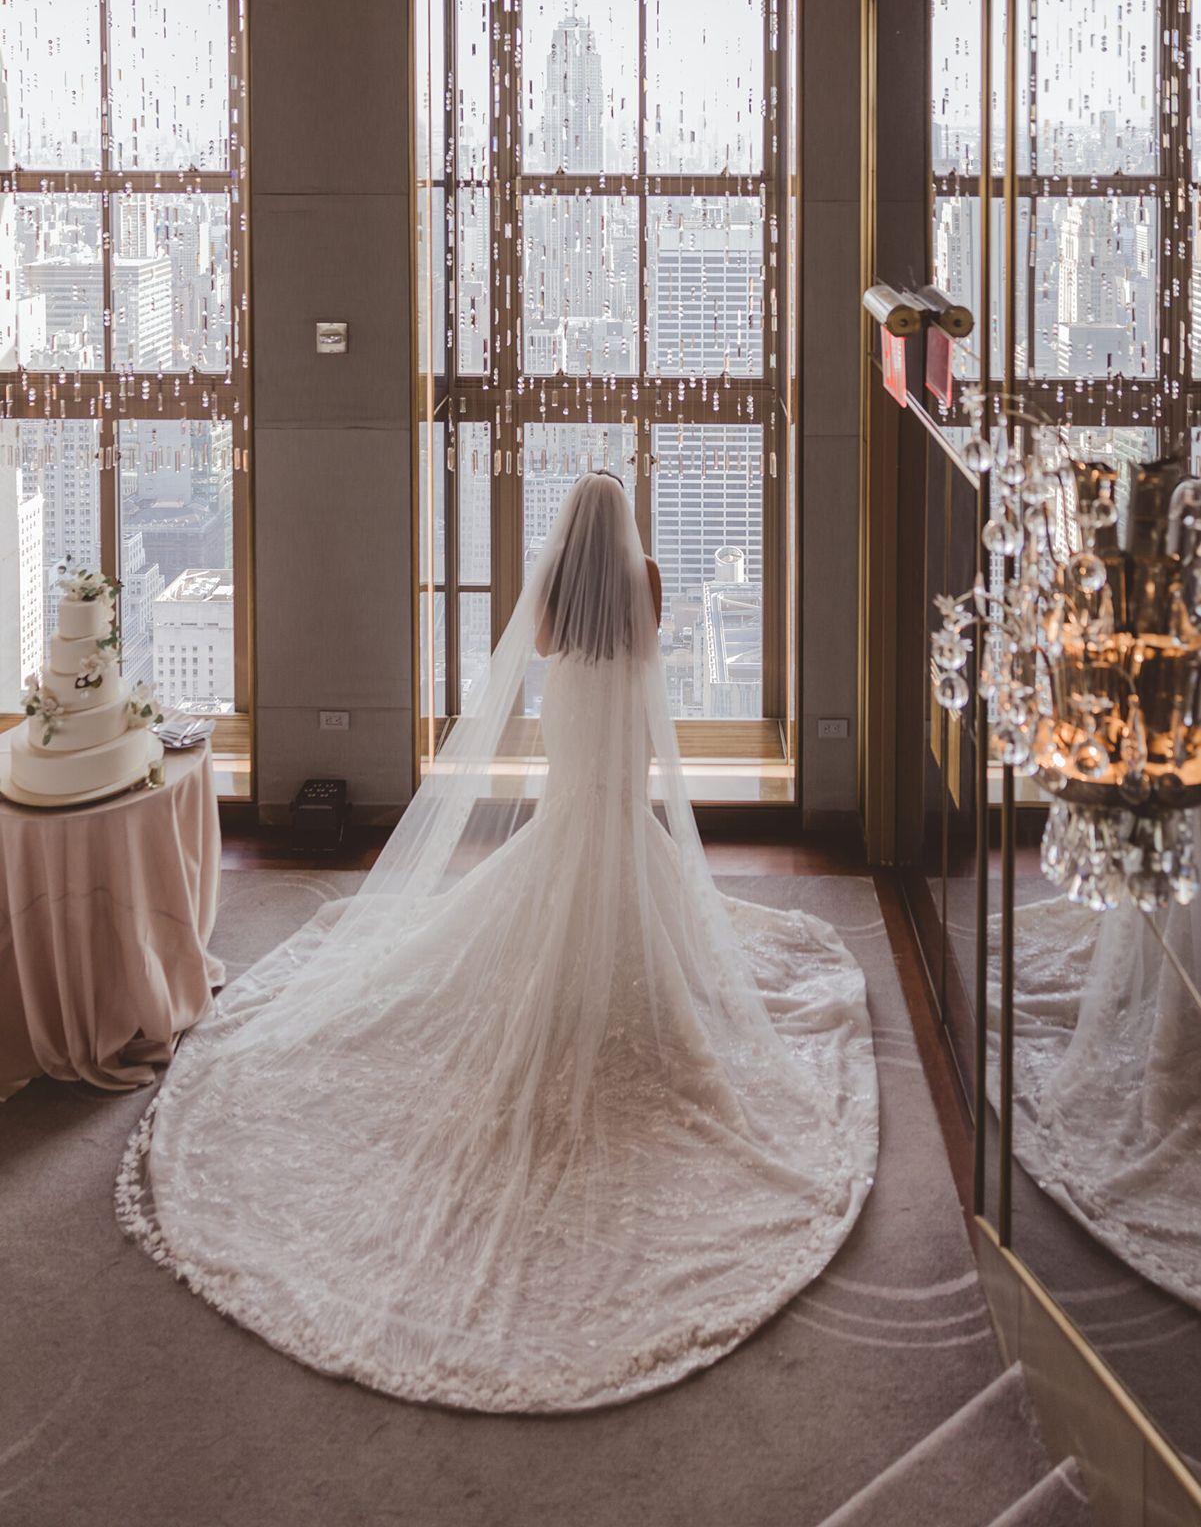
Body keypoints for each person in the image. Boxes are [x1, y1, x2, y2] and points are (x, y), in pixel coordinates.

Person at [117, 473, 878, 1412]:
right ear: (626, 523)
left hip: (574, 716)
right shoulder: (644, 572)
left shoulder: (557, 575)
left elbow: (546, 647)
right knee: (616, 827)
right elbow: (650, 654)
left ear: (570, 526)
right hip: (620, 724)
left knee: (565, 828)